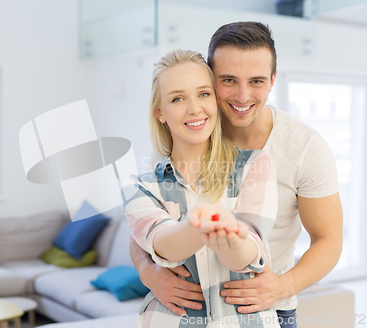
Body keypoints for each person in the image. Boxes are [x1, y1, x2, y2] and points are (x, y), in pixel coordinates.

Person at [130, 22, 343, 328]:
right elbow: (142, 225)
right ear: (210, 78)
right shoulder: (186, 135)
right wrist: (148, 273)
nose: (243, 96)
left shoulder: (304, 147)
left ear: (272, 81)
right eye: (228, 80)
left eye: (256, 81)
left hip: (267, 307)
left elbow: (329, 240)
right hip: (188, 312)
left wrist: (281, 287)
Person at [123, 49, 279, 327]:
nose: (194, 108)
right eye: (178, 98)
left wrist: (228, 236)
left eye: (204, 94)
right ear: (160, 112)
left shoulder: (255, 165)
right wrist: (199, 224)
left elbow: (248, 256)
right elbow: (163, 247)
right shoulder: (140, 186)